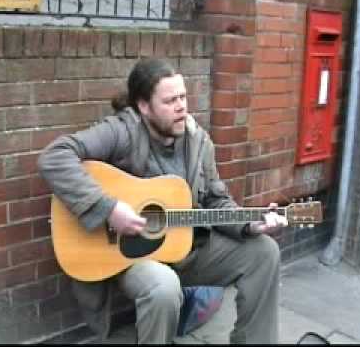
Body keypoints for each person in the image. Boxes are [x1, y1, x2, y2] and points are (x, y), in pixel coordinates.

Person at [38, 58, 288, 344]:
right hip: (132, 256)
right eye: (170, 101)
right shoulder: (122, 131)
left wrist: (249, 225)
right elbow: (55, 156)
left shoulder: (198, 141)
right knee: (164, 287)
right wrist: (108, 209)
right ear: (144, 106)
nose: (181, 106)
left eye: (183, 97)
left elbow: (217, 201)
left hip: (188, 248)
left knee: (264, 252)